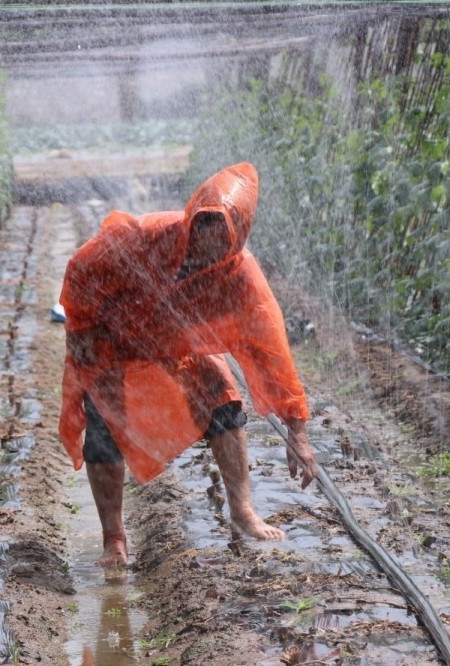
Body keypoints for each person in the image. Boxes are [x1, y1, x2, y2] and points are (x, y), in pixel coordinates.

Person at [58, 162, 317, 568]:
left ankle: (243, 511)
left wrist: (297, 433)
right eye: (202, 227)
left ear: (239, 235)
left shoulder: (243, 279)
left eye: (221, 233)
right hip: (111, 339)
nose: (208, 242)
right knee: (104, 425)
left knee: (225, 403)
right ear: (190, 219)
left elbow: (273, 357)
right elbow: (80, 269)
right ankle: (115, 539)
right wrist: (80, 336)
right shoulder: (145, 238)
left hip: (176, 346)